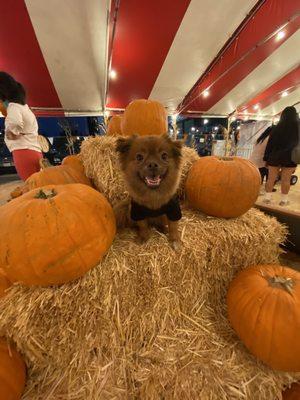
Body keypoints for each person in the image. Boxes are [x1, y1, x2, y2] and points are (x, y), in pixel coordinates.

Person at [0, 72, 42, 181]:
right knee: (38, 186)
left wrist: (10, 134)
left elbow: (15, 124)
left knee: (32, 187)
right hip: (34, 151)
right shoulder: (25, 108)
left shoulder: (13, 107)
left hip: (23, 152)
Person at [264, 106, 299, 206]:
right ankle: (283, 200)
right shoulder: (297, 128)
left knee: (271, 178)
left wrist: (266, 157)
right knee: (286, 179)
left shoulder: (276, 127)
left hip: (274, 156)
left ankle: (267, 198)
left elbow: (270, 144)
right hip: (290, 157)